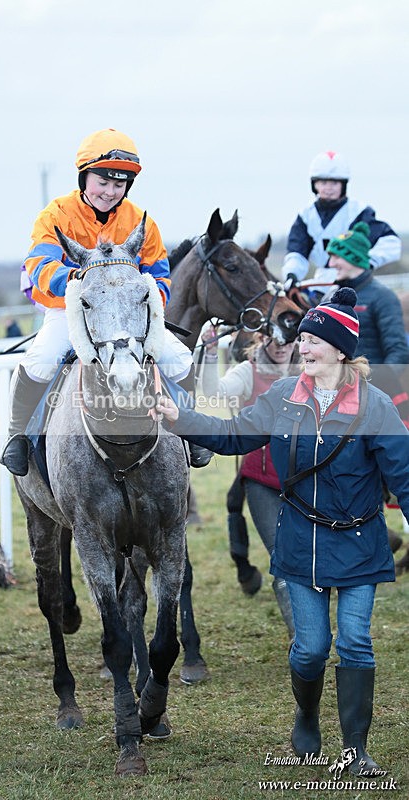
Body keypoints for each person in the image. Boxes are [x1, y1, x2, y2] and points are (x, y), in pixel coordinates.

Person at [153, 288, 409, 775]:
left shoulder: (375, 406)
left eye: (314, 340)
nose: (304, 347)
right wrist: (179, 418)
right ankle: (307, 714)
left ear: (340, 350)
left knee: (355, 641)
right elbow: (234, 436)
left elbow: (404, 475)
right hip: (302, 541)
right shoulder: (282, 397)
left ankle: (356, 751)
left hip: (359, 541)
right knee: (311, 648)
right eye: (303, 338)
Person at [0, 127, 212, 476]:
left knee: (179, 358)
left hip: (129, 317)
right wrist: (73, 281)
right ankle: (18, 436)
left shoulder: (140, 221)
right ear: (85, 176)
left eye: (119, 184)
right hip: (71, 309)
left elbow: (159, 273)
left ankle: (191, 430)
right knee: (42, 358)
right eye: (103, 181)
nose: (110, 191)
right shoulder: (55, 216)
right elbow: (40, 263)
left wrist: (147, 303)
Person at [202, 327, 298, 637]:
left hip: (306, 481)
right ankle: (303, 642)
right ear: (261, 338)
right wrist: (210, 352)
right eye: (274, 338)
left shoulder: (311, 367)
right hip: (262, 479)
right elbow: (212, 392)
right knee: (282, 559)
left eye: (289, 339)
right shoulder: (248, 371)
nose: (281, 346)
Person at [282, 151, 402, 303]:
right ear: (315, 185)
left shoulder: (359, 212)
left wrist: (367, 262)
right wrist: (292, 274)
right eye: (323, 182)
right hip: (320, 284)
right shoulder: (305, 216)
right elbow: (296, 252)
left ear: (343, 185)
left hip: (356, 284)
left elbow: (392, 242)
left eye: (334, 183)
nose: (329, 188)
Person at [326, 221, 409, 424]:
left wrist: (375, 384)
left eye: (337, 256)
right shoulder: (329, 297)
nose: (331, 263)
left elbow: (398, 351)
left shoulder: (383, 296)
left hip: (371, 396)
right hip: (332, 393)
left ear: (353, 258)